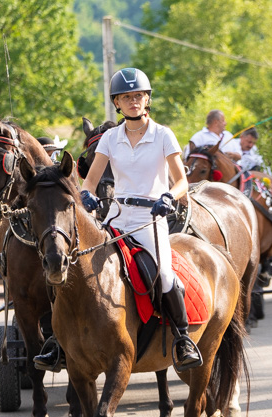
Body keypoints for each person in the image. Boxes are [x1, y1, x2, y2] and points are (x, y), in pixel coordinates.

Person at [72, 67, 202, 371]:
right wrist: (86, 196)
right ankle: (60, 339)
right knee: (81, 267)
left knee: (166, 276)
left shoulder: (163, 135)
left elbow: (181, 181)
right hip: (116, 218)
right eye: (126, 97)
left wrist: (169, 196)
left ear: (147, 100)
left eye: (138, 96)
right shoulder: (110, 139)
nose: (133, 101)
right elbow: (88, 183)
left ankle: (182, 339)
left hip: (151, 218)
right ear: (117, 103)